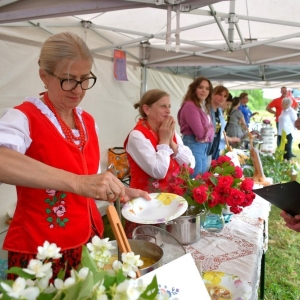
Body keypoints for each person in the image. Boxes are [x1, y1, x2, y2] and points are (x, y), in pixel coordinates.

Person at [0, 32, 150, 279]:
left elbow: (87, 174)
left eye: (85, 79)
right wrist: (79, 183)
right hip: (43, 250)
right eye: (69, 80)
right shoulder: (23, 117)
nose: (78, 90)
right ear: (44, 76)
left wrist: (119, 189)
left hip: (89, 239)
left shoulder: (87, 121)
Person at [124, 89, 195, 238]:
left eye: (169, 106)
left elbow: (189, 165)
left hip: (171, 204)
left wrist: (172, 144)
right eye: (163, 106)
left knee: (171, 246)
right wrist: (163, 141)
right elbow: (158, 171)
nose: (168, 111)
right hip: (148, 205)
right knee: (149, 250)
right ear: (147, 109)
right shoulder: (137, 136)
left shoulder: (169, 131)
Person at [177, 76, 214, 176]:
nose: (204, 91)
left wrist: (209, 130)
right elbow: (201, 134)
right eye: (200, 87)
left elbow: (212, 128)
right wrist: (209, 130)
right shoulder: (190, 106)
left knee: (200, 179)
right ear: (194, 89)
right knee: (195, 179)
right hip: (193, 144)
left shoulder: (204, 106)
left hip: (203, 147)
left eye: (207, 89)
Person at [209, 86, 240, 160]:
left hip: (217, 146)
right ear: (212, 95)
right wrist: (231, 139)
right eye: (219, 95)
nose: (222, 98)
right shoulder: (208, 110)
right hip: (210, 147)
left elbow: (219, 130)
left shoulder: (219, 111)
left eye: (224, 96)